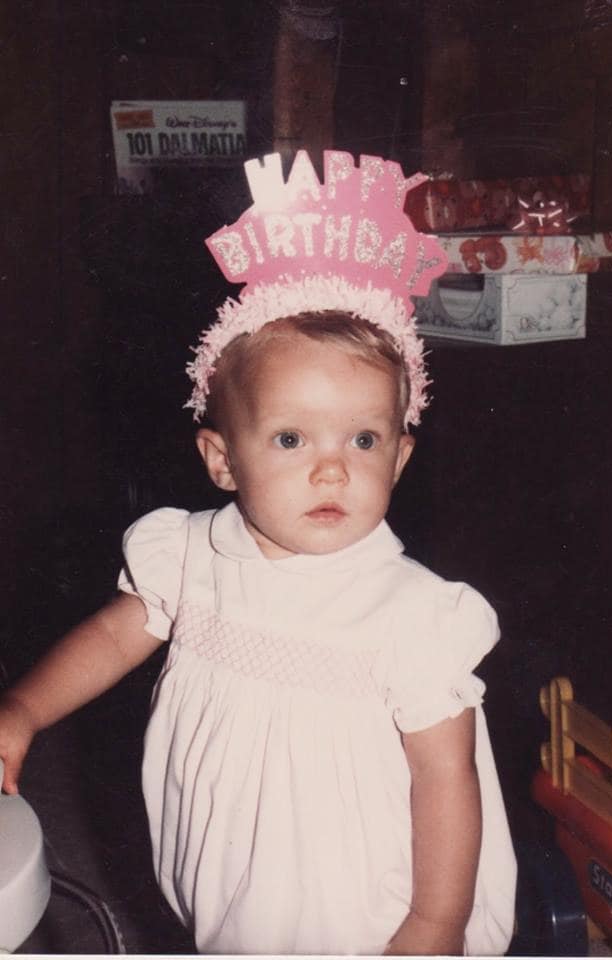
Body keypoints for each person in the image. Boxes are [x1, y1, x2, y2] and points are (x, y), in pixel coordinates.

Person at [0, 150, 516, 956]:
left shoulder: (416, 615)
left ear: (401, 458)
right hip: (232, 867)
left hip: (363, 901)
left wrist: (435, 923)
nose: (332, 466)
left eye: (365, 438)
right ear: (221, 459)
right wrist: (23, 712)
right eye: (289, 437)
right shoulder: (189, 557)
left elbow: (444, 779)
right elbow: (110, 637)